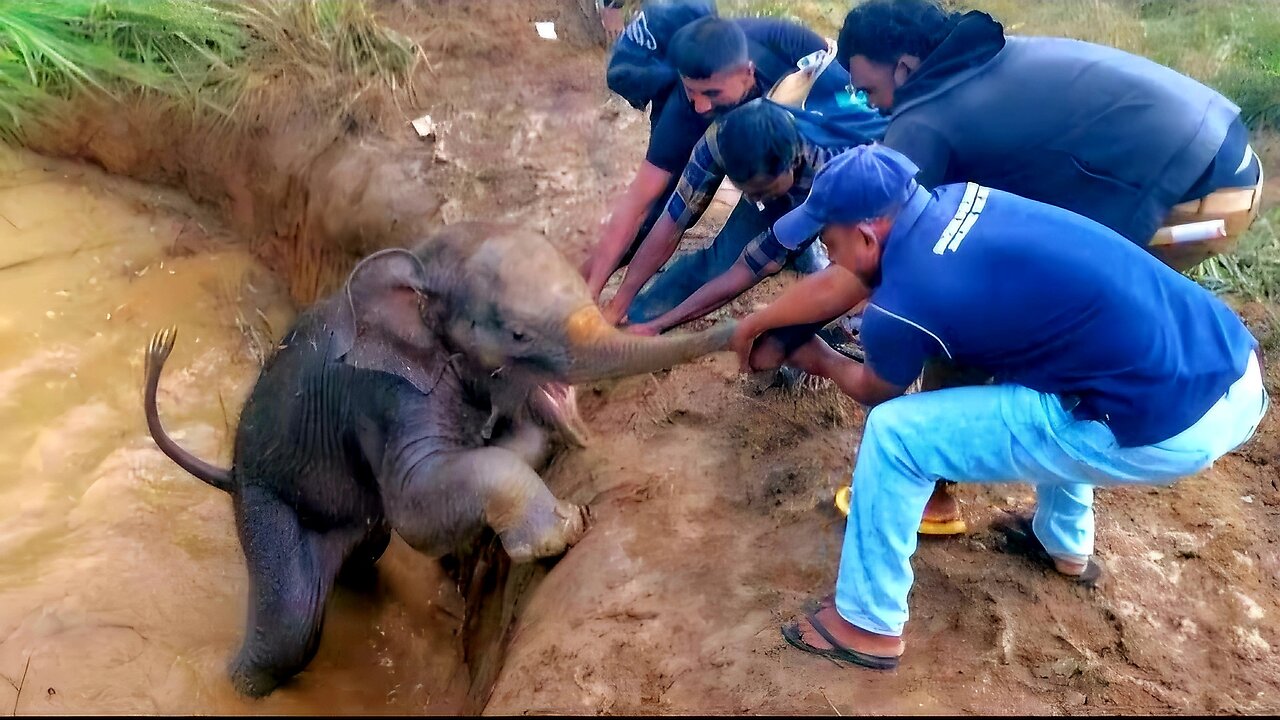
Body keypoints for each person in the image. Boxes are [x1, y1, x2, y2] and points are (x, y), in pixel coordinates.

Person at [731, 144, 1268, 669]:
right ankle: (1064, 545)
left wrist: (817, 356)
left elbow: (878, 390)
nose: (829, 258)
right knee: (1054, 355)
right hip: (1230, 366)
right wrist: (767, 321)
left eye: (829, 243)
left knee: (896, 435)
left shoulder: (903, 304)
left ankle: (866, 624)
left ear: (867, 237)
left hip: (1167, 424)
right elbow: (881, 281)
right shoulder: (964, 199)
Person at [832, 0, 1267, 533]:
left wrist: (801, 323)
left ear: (903, 68)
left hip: (1190, 191)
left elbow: (886, 247)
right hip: (1216, 153)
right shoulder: (976, 61)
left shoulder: (925, 113)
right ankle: (1063, 534)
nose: (872, 107)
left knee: (979, 321)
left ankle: (931, 489)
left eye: (870, 91)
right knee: (1048, 318)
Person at [584, 14, 858, 302]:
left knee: (732, 257)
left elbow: (840, 79)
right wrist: (596, 293)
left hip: (785, 152)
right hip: (744, 138)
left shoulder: (794, 52)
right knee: (660, 212)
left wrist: (801, 217)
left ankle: (799, 242)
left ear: (747, 73)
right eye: (692, 92)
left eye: (712, 93)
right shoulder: (688, 106)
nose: (701, 106)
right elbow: (640, 202)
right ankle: (596, 286)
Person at [602, 98, 876, 335]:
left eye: (762, 190)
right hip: (794, 183)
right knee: (723, 259)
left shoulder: (829, 175)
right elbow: (674, 218)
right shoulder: (721, 138)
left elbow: (747, 271)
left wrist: (661, 325)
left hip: (843, 193)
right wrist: (619, 304)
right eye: (746, 190)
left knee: (806, 275)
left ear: (791, 164)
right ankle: (634, 319)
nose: (755, 199)